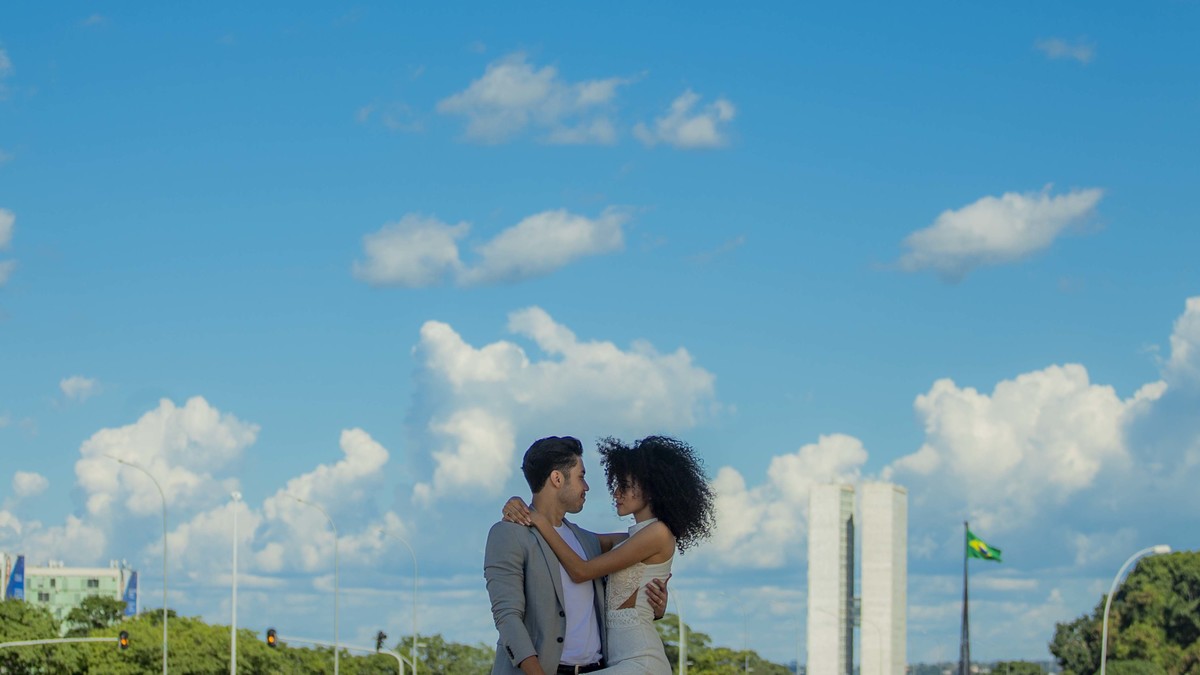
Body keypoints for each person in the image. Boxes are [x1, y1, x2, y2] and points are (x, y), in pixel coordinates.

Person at [501, 435, 716, 675]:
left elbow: (581, 571)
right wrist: (520, 505)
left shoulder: (658, 533)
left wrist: (539, 521)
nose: (616, 493)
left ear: (650, 489)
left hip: (640, 662)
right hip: (618, 663)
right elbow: (573, 539)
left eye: (624, 485)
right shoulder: (629, 540)